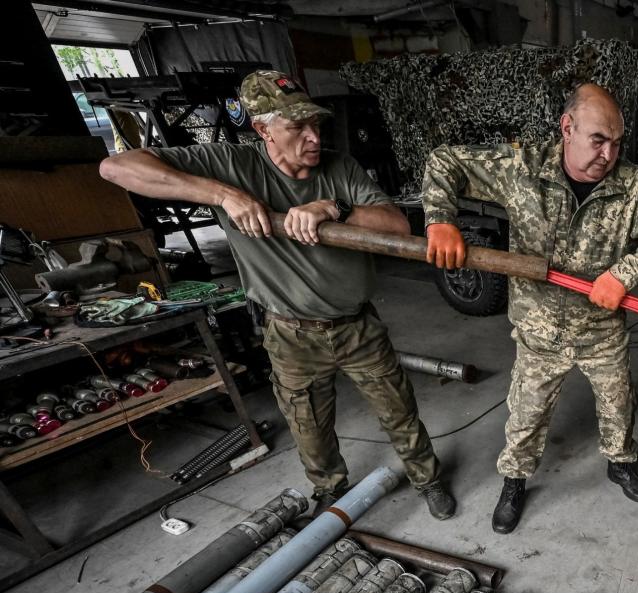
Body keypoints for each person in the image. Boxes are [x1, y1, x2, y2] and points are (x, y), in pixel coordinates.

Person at [99, 70, 457, 520]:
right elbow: (115, 167)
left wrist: (334, 207)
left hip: (356, 325)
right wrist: (224, 196)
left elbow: (397, 227)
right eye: (296, 127)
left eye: (316, 125)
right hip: (289, 334)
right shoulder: (232, 165)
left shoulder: (339, 167)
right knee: (309, 425)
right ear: (263, 129)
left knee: (399, 410)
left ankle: (428, 479)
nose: (313, 137)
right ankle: (331, 491)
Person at [420, 83, 638, 534]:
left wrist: (625, 273)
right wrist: (440, 219)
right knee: (526, 413)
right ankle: (515, 480)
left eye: (617, 142)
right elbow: (444, 159)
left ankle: (620, 463)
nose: (609, 153)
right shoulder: (521, 166)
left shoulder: (633, 185)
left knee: (618, 405)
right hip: (539, 331)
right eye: (598, 140)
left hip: (600, 328)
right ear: (567, 128)